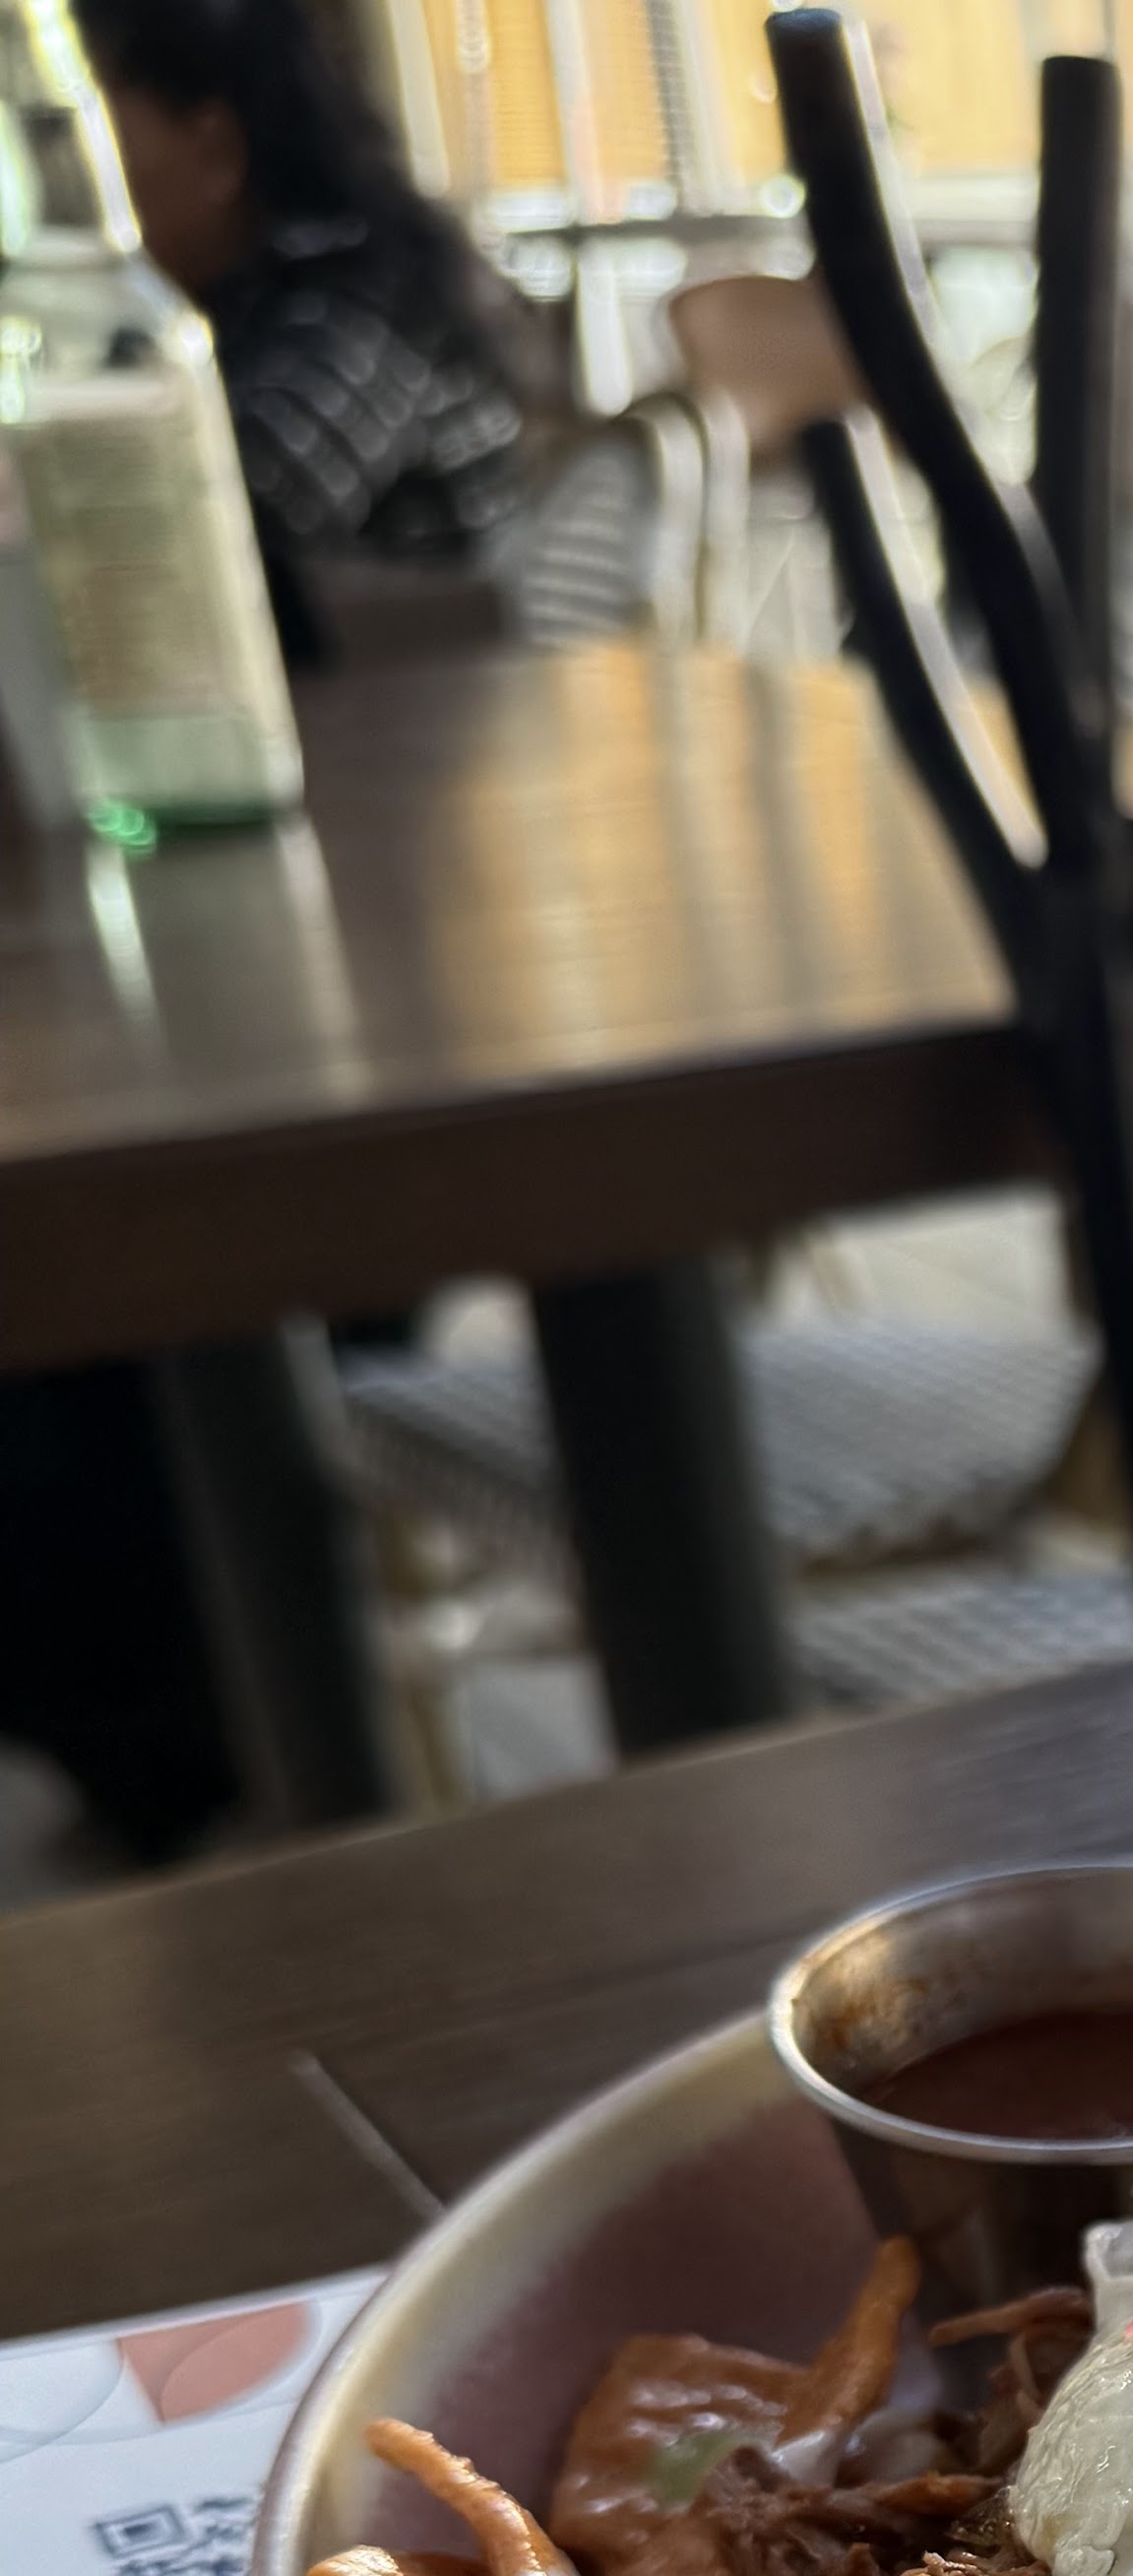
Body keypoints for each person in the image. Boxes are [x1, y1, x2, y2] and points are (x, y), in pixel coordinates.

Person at [0, 0, 530, 1872]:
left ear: (208, 134)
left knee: (101, 1334)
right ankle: (201, 1775)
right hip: (290, 976)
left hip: (409, 1032)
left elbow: (145, 557)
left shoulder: (326, 337)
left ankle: (196, 1771)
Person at [76, 0, 528, 641]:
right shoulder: (222, 309)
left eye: (95, 138)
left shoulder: (366, 304)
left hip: (414, 721)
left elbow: (215, 526)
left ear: (214, 151)